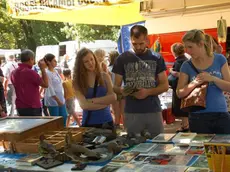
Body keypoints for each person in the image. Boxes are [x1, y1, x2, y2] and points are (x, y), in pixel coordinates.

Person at [112, 25, 169, 138]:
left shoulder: (156, 57)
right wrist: (123, 90)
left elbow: (165, 85)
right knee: (134, 146)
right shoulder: (122, 59)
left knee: (158, 145)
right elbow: (114, 87)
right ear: (130, 40)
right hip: (131, 112)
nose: (138, 47)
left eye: (141, 43)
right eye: (134, 43)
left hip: (153, 110)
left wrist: (147, 92)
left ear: (147, 40)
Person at [177, 29, 230, 134]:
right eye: (186, 47)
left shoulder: (219, 59)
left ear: (201, 44)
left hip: (221, 114)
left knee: (224, 149)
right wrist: (194, 82)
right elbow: (179, 93)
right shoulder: (186, 65)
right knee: (201, 149)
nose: (187, 51)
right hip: (197, 116)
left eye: (190, 47)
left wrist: (213, 79)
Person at [72, 48, 116, 128]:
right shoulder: (77, 82)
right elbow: (84, 105)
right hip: (89, 123)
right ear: (81, 64)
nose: (90, 63)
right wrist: (105, 103)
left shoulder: (105, 76)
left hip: (107, 121)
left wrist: (91, 101)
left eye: (92, 59)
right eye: (86, 61)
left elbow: (113, 97)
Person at [11, 49, 48, 116]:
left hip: (20, 106)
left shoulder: (13, 72)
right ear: (31, 59)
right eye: (33, 59)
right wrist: (43, 69)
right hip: (33, 107)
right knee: (36, 126)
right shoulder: (30, 72)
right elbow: (45, 84)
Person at [44, 53, 67, 126]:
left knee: (64, 116)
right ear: (48, 62)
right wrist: (57, 100)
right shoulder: (47, 73)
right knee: (56, 120)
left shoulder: (56, 71)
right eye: (54, 60)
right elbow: (50, 88)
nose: (56, 62)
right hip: (53, 100)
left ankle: (63, 132)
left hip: (60, 98)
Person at [170, 43, 189, 132]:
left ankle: (185, 125)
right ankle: (185, 124)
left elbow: (178, 75)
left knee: (180, 107)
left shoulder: (178, 62)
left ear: (174, 52)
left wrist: (172, 72)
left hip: (179, 88)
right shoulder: (186, 60)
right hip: (186, 87)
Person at [108, 51, 125, 128]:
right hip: (122, 89)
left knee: (116, 110)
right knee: (123, 110)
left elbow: (109, 82)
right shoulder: (122, 67)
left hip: (114, 91)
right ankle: (126, 125)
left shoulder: (109, 69)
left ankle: (117, 124)